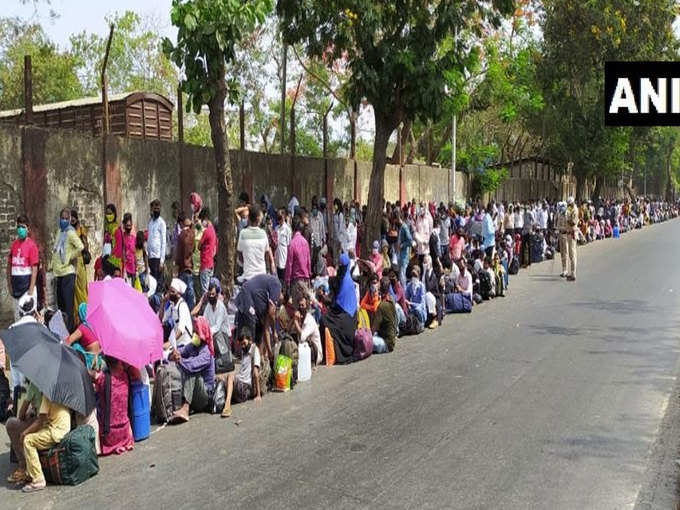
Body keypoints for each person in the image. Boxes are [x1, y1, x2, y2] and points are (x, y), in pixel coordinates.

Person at [20, 393, 71, 492]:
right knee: (35, 434)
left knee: (28, 440)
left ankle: (38, 479)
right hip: (64, 428)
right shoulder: (61, 394)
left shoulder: (47, 396)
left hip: (57, 431)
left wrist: (24, 433)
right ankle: (30, 472)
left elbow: (40, 421)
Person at [169, 317, 215, 423]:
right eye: (194, 331)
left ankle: (185, 408)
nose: (194, 334)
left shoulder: (206, 352)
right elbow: (182, 351)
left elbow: (192, 366)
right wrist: (174, 354)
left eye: (196, 332)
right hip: (195, 394)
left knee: (193, 372)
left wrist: (180, 360)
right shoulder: (192, 346)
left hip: (205, 397)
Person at [94, 356, 137, 455]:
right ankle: (124, 444)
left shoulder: (102, 379)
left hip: (109, 435)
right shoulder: (125, 376)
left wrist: (96, 366)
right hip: (125, 432)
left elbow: (92, 376)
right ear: (120, 362)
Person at [321, 253, 358, 364]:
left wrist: (326, 300)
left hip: (347, 318)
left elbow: (337, 304)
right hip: (349, 316)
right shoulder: (346, 278)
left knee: (325, 320)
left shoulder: (345, 281)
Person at [235, 273, 281, 362]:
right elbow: (272, 313)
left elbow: (266, 329)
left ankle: (259, 361)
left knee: (259, 331)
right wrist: (275, 331)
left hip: (250, 297)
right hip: (246, 296)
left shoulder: (265, 300)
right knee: (251, 334)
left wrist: (270, 352)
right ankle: (251, 364)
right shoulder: (277, 286)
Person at [51, 208, 84, 332]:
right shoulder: (59, 231)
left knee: (68, 306)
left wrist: (70, 256)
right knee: (61, 306)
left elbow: (80, 246)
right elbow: (56, 249)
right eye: (62, 218)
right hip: (58, 273)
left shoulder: (70, 232)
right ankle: (63, 332)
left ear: (69, 219)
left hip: (68, 273)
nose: (64, 220)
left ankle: (70, 332)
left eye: (66, 218)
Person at [5, 380, 42, 485]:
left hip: (41, 423)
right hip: (54, 421)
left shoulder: (34, 385)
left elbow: (21, 414)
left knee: (11, 424)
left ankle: (23, 466)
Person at [221, 326, 261, 418]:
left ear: (250, 340)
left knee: (231, 376)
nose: (242, 346)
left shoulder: (255, 350)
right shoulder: (244, 352)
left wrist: (258, 395)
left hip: (245, 389)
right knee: (222, 377)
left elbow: (255, 373)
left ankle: (227, 405)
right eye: (241, 344)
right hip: (240, 384)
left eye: (244, 343)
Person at [7, 214, 39, 320]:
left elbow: (34, 269)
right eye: (19, 227)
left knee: (28, 320)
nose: (20, 229)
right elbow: (9, 266)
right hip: (16, 290)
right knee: (17, 319)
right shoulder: (14, 245)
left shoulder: (32, 246)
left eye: (23, 227)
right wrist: (9, 285)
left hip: (27, 290)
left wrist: (30, 291)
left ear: (28, 229)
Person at [237, 205, 275, 282]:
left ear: (249, 218)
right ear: (258, 219)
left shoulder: (243, 233)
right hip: (261, 276)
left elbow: (240, 255)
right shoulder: (263, 234)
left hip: (248, 277)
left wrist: (247, 263)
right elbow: (266, 255)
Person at [65, 304, 102, 368]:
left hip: (91, 362)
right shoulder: (95, 325)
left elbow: (68, 341)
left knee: (75, 346)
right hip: (99, 359)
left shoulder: (83, 327)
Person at [161, 278, 194, 350]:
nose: (169, 293)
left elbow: (181, 329)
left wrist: (170, 343)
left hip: (185, 344)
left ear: (179, 294)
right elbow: (162, 319)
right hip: (177, 342)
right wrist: (163, 303)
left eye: (172, 292)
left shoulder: (182, 306)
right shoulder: (172, 306)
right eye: (169, 291)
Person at [285, 218, 311, 302]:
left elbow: (289, 264)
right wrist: (309, 275)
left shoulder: (292, 244)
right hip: (305, 279)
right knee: (305, 305)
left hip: (296, 280)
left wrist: (287, 281)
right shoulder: (305, 242)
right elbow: (308, 261)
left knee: (297, 305)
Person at [70, 210, 89, 326]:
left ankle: (85, 314)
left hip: (80, 262)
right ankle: (77, 319)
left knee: (82, 289)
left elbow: (86, 247)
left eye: (73, 218)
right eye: (70, 218)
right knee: (74, 292)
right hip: (71, 263)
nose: (72, 220)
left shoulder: (81, 230)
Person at [291, 295, 322, 366]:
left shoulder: (310, 320)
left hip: (314, 354)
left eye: (303, 305)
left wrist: (295, 321)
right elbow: (288, 330)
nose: (301, 308)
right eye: (299, 305)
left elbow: (302, 337)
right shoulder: (300, 318)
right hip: (303, 350)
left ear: (307, 306)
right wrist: (294, 318)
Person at [371, 277, 398, 354]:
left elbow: (374, 328)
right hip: (391, 338)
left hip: (386, 343)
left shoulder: (382, 306)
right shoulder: (391, 299)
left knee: (366, 339)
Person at [175, 212, 196, 310]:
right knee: (190, 295)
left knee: (182, 296)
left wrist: (176, 268)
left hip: (183, 268)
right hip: (190, 268)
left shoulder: (181, 236)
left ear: (181, 223)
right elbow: (194, 248)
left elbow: (179, 255)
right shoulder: (192, 234)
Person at [147, 199, 167, 292]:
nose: (156, 210)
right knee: (151, 283)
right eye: (155, 208)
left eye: (158, 209)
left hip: (158, 258)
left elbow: (163, 242)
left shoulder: (161, 223)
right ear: (151, 209)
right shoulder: (150, 222)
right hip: (150, 257)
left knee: (158, 283)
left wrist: (162, 261)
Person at [198, 208, 217, 296]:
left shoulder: (206, 231)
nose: (202, 222)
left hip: (205, 263)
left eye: (202, 220)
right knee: (210, 289)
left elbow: (199, 246)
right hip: (211, 264)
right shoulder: (213, 231)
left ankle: (205, 308)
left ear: (205, 218)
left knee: (205, 291)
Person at [396, 211, 413, 287]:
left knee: (402, 274)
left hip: (404, 255)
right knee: (401, 274)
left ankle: (404, 291)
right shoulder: (400, 227)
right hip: (400, 254)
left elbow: (410, 241)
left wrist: (402, 245)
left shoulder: (405, 227)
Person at [565, 196, 578, 281]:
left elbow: (573, 222)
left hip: (572, 233)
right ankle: (572, 273)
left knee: (572, 254)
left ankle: (573, 274)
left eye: (569, 204)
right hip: (569, 233)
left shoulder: (574, 210)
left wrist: (567, 218)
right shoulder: (570, 210)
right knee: (571, 254)